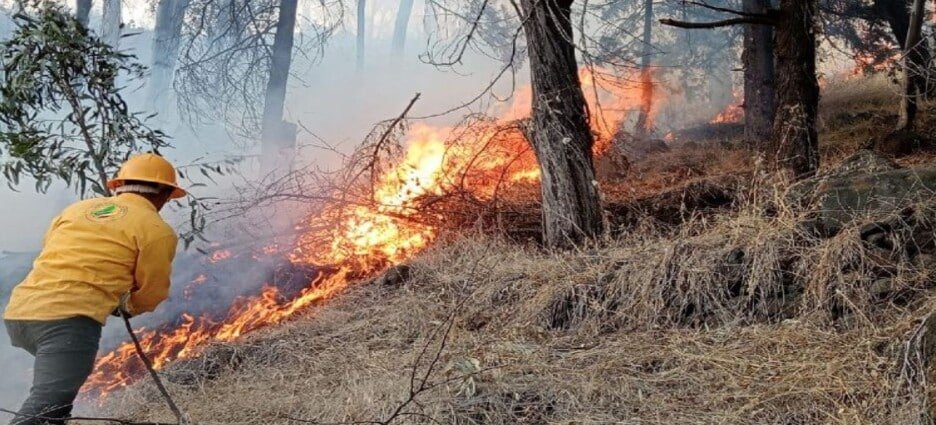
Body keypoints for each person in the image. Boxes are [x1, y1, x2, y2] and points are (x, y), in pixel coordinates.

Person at [3, 153, 186, 425]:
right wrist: (127, 305)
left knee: (56, 403)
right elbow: (152, 291)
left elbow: (54, 250)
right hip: (66, 322)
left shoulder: (76, 210)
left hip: (21, 313)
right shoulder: (156, 229)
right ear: (166, 194)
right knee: (48, 404)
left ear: (119, 185)